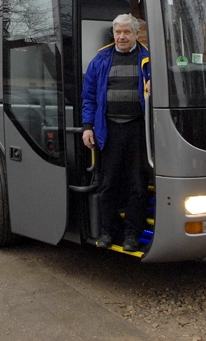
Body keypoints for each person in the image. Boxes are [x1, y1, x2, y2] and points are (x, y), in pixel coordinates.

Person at [81, 13, 151, 252]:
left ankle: (132, 234)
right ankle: (107, 232)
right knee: (108, 184)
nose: (121, 36)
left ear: (136, 34)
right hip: (107, 130)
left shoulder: (150, 61)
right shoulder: (100, 60)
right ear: (113, 33)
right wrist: (87, 127)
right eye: (118, 32)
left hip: (137, 131)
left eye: (127, 32)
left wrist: (156, 87)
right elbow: (89, 97)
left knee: (137, 185)